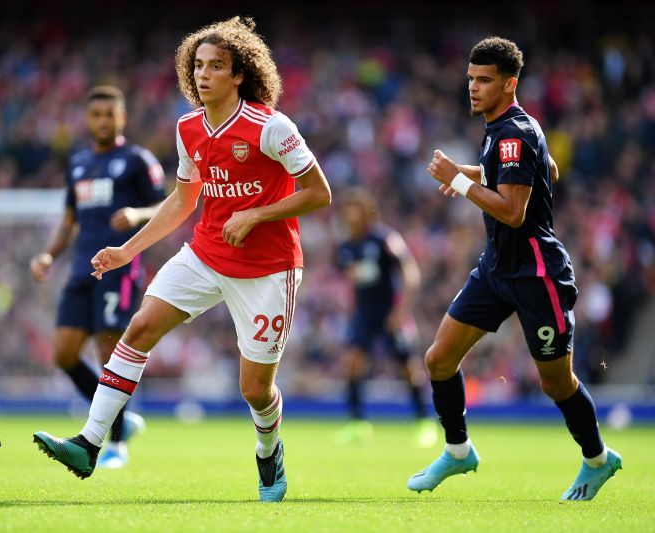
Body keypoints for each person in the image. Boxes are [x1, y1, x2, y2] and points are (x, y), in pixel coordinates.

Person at [33, 17, 331, 502]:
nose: (203, 74)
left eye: (217, 66)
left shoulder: (271, 127)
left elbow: (320, 193)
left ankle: (268, 448)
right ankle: (89, 443)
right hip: (206, 253)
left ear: (239, 75)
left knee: (255, 390)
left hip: (269, 268)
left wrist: (256, 214)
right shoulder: (188, 126)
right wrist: (127, 250)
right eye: (197, 65)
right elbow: (182, 200)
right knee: (139, 328)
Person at [406, 37, 621, 500]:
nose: (474, 88)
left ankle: (598, 459)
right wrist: (477, 171)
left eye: (484, 80)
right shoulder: (505, 129)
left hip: (537, 274)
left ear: (510, 83)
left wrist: (459, 180)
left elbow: (512, 212)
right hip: (497, 268)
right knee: (439, 359)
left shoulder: (514, 132)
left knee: (555, 381)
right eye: (470, 79)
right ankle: (459, 451)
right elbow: (549, 172)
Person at [29, 85, 165, 469]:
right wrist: (47, 255)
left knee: (110, 354)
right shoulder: (78, 164)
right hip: (80, 271)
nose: (103, 120)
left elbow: (168, 203)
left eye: (110, 114)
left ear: (122, 118)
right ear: (87, 119)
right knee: (65, 354)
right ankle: (117, 418)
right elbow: (68, 221)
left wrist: (138, 215)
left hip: (119, 269)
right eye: (96, 114)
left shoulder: (138, 160)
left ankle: (117, 442)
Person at [334, 187, 437, 447]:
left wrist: (401, 311)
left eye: (356, 207)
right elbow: (352, 279)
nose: (351, 213)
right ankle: (358, 424)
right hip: (364, 314)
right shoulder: (347, 247)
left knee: (408, 367)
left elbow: (409, 271)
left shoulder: (383, 238)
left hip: (390, 312)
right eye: (348, 208)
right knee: (352, 363)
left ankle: (425, 422)